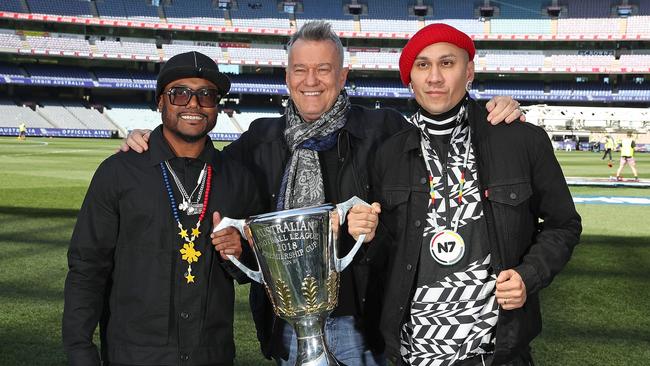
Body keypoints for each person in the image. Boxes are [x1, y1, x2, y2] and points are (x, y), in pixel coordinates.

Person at [122, 21, 524, 366]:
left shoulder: (384, 129)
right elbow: (202, 168)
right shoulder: (259, 140)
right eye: (300, 70)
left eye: (323, 69)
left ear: (343, 76)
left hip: (363, 326)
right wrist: (151, 138)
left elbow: (444, 129)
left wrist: (494, 113)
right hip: (287, 327)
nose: (310, 81)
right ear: (287, 76)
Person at [369, 24, 582, 365]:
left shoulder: (522, 140)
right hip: (411, 355)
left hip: (494, 356)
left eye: (447, 63)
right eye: (422, 65)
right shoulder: (388, 153)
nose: (434, 77)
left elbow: (564, 224)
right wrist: (362, 231)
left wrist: (530, 275)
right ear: (409, 78)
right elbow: (385, 251)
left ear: (469, 71)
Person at [62, 51, 263, 366]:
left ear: (218, 107)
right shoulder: (119, 172)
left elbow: (261, 265)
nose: (193, 104)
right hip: (133, 356)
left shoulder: (238, 178)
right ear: (160, 102)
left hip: (211, 356)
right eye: (179, 93)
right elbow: (87, 268)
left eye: (206, 95)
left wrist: (239, 253)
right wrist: (80, 350)